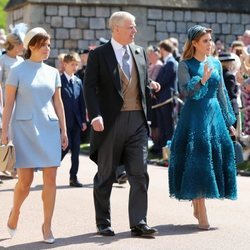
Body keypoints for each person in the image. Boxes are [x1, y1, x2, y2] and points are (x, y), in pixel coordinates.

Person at [84, 11, 160, 237]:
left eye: (134, 27)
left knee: (139, 172)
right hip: (109, 122)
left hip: (137, 120)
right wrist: (95, 115)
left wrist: (151, 85)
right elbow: (89, 88)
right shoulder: (99, 55)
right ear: (116, 29)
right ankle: (103, 222)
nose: (135, 31)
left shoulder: (140, 52)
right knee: (106, 174)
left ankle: (139, 222)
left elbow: (142, 82)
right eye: (131, 27)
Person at [1, 27, 68, 243]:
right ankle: (15, 211)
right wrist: (4, 131)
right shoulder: (17, 71)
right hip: (23, 129)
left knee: (51, 177)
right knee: (25, 182)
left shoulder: (53, 72)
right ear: (31, 46)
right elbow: (9, 103)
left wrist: (64, 130)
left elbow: (58, 102)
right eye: (43, 45)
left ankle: (47, 226)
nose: (48, 49)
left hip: (49, 128)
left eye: (49, 45)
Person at [168, 25, 237, 230]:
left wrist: (228, 121)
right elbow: (187, 93)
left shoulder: (215, 62)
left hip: (214, 116)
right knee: (197, 160)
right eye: (205, 41)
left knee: (213, 159)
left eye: (210, 40)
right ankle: (201, 207)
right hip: (194, 117)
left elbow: (222, 94)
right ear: (195, 43)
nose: (210, 44)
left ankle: (199, 203)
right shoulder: (185, 65)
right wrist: (202, 79)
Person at [60, 52, 87, 187]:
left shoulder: (78, 81)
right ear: (65, 65)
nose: (75, 67)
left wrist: (83, 120)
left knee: (76, 151)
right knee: (63, 149)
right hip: (64, 122)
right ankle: (50, 170)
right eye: (72, 65)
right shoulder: (59, 80)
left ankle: (73, 177)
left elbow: (81, 102)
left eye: (77, 65)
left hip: (76, 122)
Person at [153, 39, 178, 156]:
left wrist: (155, 87)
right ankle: (162, 149)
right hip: (161, 99)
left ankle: (168, 150)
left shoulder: (171, 63)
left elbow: (164, 81)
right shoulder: (167, 63)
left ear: (163, 49)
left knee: (168, 126)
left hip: (167, 99)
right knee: (162, 125)